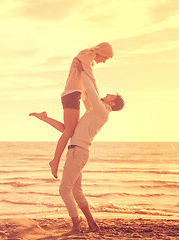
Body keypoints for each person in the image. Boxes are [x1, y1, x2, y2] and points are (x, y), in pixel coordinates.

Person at [30, 70, 124, 234]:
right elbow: (68, 129)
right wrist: (45, 119)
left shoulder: (101, 111)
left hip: (78, 152)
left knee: (64, 190)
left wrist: (84, 70)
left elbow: (91, 91)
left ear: (113, 104)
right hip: (78, 152)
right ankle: (92, 224)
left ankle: (76, 225)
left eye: (111, 96)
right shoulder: (95, 111)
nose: (107, 94)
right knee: (76, 191)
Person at [50, 42, 114, 179]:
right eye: (106, 58)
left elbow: (86, 83)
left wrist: (93, 108)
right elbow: (90, 79)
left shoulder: (88, 59)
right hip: (72, 94)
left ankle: (44, 118)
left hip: (74, 94)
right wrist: (98, 101)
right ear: (103, 52)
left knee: (70, 130)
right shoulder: (87, 55)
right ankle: (54, 162)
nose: (103, 61)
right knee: (68, 131)